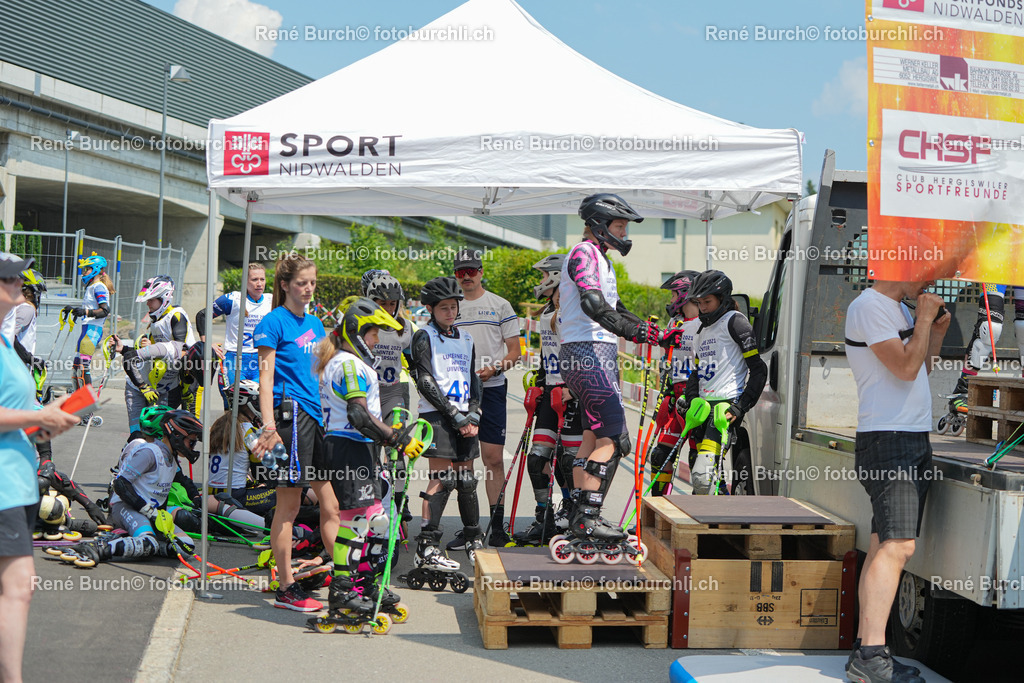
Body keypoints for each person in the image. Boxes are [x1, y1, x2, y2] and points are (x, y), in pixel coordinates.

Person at [843, 280, 945, 683]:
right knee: (899, 546)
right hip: (888, 438)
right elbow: (903, 368)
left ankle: (866, 648)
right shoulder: (869, 306)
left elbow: (920, 368)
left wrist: (933, 331)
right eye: (923, 266)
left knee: (882, 544)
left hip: (911, 436)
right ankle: (871, 655)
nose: (930, 278)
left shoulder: (901, 308)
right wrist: (923, 319)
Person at [557, 194, 658, 550]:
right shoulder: (584, 253)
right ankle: (588, 519)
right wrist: (632, 331)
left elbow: (618, 309)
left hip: (594, 353)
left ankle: (577, 513)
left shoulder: (601, 260)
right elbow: (593, 303)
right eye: (620, 226)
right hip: (587, 352)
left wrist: (655, 332)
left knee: (592, 437)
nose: (624, 233)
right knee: (614, 441)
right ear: (600, 225)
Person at [315, 297, 425, 621]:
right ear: (357, 332)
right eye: (374, 333)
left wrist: (389, 439)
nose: (377, 340)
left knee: (376, 520)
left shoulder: (346, 361)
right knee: (355, 522)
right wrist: (397, 438)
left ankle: (365, 582)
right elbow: (358, 415)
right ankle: (342, 590)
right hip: (348, 447)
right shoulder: (348, 364)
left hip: (360, 448)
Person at [0, 252, 79, 683]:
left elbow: (18, 412)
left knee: (18, 588)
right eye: (9, 278)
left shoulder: (5, 345)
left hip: (17, 481)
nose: (20, 283)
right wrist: (37, 416)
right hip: (3, 485)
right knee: (18, 588)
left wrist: (47, 423)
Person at [251, 252, 340, 612]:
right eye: (302, 283)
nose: (308, 289)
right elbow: (265, 378)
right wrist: (269, 426)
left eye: (312, 283)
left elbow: (322, 374)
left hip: (317, 419)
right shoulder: (273, 322)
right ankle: (286, 586)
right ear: (285, 285)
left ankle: (348, 578)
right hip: (290, 420)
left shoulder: (316, 323)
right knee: (288, 507)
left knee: (332, 505)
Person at [51, 406, 204, 568]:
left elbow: (161, 494)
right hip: (125, 507)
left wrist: (160, 519)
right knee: (148, 542)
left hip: (150, 513)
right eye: (191, 442)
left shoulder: (172, 460)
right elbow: (121, 484)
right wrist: (148, 511)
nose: (192, 447)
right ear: (177, 435)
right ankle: (99, 548)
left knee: (186, 546)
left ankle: (132, 542)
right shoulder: (150, 452)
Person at [449, 248, 521, 549]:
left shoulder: (500, 305)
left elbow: (516, 352)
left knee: (492, 459)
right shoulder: (450, 306)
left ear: (481, 271)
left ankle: (497, 527)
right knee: (463, 462)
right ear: (455, 275)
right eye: (461, 272)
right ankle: (470, 528)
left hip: (492, 389)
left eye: (472, 271)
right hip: (459, 392)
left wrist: (495, 369)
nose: (467, 276)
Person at [411, 277, 482, 568]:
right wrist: (454, 415)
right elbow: (424, 381)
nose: (450, 312)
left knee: (466, 480)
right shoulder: (424, 335)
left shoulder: (466, 338)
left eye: (453, 307)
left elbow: (474, 379)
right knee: (442, 478)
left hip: (466, 416)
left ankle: (473, 537)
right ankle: (427, 545)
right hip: (438, 415)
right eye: (443, 308)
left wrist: (474, 414)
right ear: (430, 309)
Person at [514, 254, 583, 545]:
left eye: (544, 276)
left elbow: (588, 353)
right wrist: (539, 383)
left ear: (557, 277)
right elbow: (548, 355)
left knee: (569, 461)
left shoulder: (575, 312)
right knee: (537, 458)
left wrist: (575, 389)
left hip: (572, 395)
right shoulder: (546, 313)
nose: (540, 281)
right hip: (550, 393)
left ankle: (575, 514)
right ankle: (545, 518)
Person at [677, 270, 767, 495]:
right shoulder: (701, 329)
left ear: (722, 298)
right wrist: (691, 400)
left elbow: (759, 370)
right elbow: (697, 373)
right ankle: (718, 511)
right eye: (699, 303)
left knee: (702, 477)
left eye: (707, 302)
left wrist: (740, 407)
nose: (703, 308)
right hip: (703, 408)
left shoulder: (735, 322)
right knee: (706, 479)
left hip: (725, 408)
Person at [363, 270, 416, 526]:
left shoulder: (405, 328)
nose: (387, 308)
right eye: (382, 303)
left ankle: (399, 499)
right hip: (367, 394)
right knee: (370, 448)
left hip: (393, 392)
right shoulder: (360, 324)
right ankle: (374, 499)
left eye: (392, 303)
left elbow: (418, 365)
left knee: (397, 446)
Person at [113, 275, 196, 434]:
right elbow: (148, 355)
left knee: (182, 431)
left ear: (164, 298)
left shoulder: (176, 315)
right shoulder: (156, 320)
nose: (147, 303)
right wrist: (124, 349)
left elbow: (181, 351)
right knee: (147, 432)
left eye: (151, 300)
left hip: (184, 378)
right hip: (158, 381)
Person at [648, 270, 701, 496]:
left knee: (698, 459)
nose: (671, 300)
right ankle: (659, 507)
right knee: (660, 455)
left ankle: (701, 508)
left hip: (695, 396)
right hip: (675, 394)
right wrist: (668, 391)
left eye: (673, 295)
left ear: (685, 294)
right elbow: (669, 360)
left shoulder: (702, 324)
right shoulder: (675, 322)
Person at [195, 263, 271, 404]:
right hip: (235, 360)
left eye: (262, 279)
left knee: (258, 405)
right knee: (234, 406)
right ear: (245, 281)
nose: (259, 283)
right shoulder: (233, 299)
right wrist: (207, 343)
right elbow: (202, 315)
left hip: (261, 360)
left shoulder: (271, 300)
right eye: (254, 279)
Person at [64, 254, 114, 425]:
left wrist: (85, 312)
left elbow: (105, 310)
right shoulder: (92, 287)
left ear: (96, 270)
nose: (84, 272)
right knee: (76, 370)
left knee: (82, 370)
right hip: (85, 331)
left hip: (92, 331)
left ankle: (87, 411)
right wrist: (75, 310)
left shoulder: (99, 287)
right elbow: (89, 309)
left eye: (87, 269)